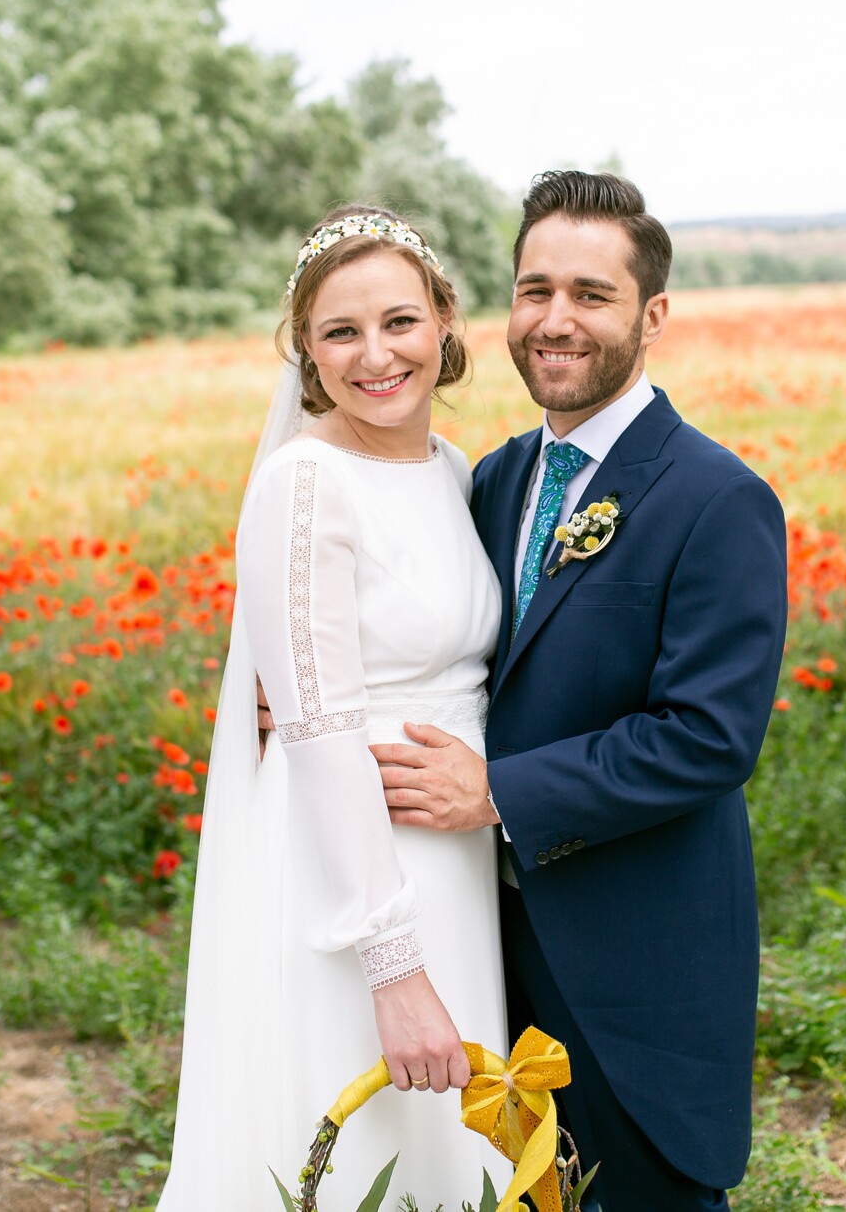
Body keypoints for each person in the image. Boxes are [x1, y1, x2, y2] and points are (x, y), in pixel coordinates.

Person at [373, 171, 787, 1211]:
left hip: (635, 957)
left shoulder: (716, 498)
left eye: (590, 296)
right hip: (482, 940)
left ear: (650, 314)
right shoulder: (493, 479)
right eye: (534, 289)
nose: (555, 321)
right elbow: (434, 648)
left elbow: (706, 737)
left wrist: (499, 793)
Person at [158, 206, 511, 1208]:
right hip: (355, 875)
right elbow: (316, 732)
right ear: (304, 351)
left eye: (399, 321)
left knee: (447, 1145)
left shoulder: (450, 470)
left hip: (453, 854)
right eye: (339, 332)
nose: (375, 355)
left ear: (443, 319)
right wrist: (392, 967)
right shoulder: (304, 483)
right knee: (361, 1143)